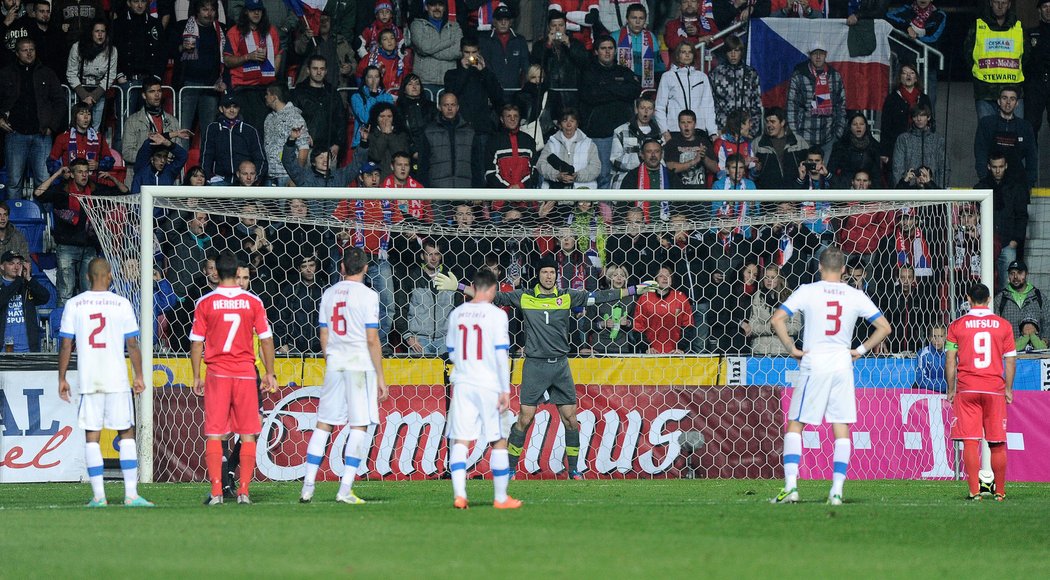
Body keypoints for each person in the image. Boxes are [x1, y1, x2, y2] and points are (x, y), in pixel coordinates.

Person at [434, 256, 656, 478]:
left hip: (560, 365)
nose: (548, 276)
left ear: (556, 275)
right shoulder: (526, 297)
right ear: (538, 275)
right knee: (525, 418)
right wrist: (460, 287)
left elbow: (600, 297)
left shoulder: (567, 296)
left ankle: (574, 470)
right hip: (535, 366)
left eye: (552, 272)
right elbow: (493, 296)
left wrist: (635, 289)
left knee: (571, 418)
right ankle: (510, 469)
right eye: (544, 272)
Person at [770, 246, 892, 505]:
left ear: (819, 267)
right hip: (841, 363)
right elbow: (884, 327)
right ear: (845, 269)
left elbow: (777, 319)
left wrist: (792, 348)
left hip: (815, 362)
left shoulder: (807, 290)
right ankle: (836, 491)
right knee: (841, 426)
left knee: (796, 424)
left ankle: (791, 487)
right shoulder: (854, 294)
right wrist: (859, 350)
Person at [57, 258, 151, 507]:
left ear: (88, 277)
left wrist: (62, 377)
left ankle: (99, 496)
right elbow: (132, 344)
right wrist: (139, 376)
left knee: (92, 436)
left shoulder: (74, 304)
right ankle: (131, 495)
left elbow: (66, 343)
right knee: (127, 433)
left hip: (90, 379)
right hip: (117, 379)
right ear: (108, 275)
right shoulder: (121, 303)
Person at [299, 247, 388, 505]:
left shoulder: (328, 294)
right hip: (359, 364)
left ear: (341, 267)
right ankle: (345, 489)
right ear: (365, 268)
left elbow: (323, 335)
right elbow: (372, 339)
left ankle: (307, 487)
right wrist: (380, 376)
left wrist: (332, 358)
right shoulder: (369, 296)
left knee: (324, 423)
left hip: (335, 362)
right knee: (359, 425)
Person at [190, 250, 278, 505]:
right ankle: (244, 491)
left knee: (216, 434)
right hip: (245, 374)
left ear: (216, 272)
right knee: (249, 433)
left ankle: (217, 492)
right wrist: (270, 372)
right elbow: (266, 339)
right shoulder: (253, 302)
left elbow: (197, 343)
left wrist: (196, 375)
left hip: (217, 374)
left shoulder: (205, 302)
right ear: (236, 274)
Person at [445, 268, 522, 509]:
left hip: (464, 383)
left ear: (474, 287)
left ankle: (460, 495)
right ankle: (500, 498)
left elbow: (452, 351)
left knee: (460, 440)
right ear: (491, 289)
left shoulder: (458, 314)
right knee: (498, 440)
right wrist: (505, 389)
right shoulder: (497, 315)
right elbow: (501, 354)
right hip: (488, 384)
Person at [946, 282, 1015, 501]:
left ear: (968, 299)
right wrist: (1009, 389)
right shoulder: (1003, 325)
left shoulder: (957, 325)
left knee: (970, 440)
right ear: (989, 299)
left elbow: (950, 360)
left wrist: (951, 388)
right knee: (997, 442)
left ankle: (975, 491)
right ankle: (1000, 492)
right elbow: (1011, 359)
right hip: (994, 389)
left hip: (967, 390)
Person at [34, 159, 128, 305]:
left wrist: (112, 178)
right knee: (65, 292)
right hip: (66, 247)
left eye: (86, 172)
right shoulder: (62, 190)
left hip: (89, 247)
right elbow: (38, 193)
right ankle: (62, 326)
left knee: (89, 292)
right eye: (79, 172)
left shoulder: (95, 189)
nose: (84, 175)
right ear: (71, 174)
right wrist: (57, 174)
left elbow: (125, 192)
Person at [0, 37, 65, 200]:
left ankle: (45, 224)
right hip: (15, 134)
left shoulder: (47, 73)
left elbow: (60, 101)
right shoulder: (6, 73)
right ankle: (12, 222)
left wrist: (52, 126)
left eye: (32, 50)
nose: (29, 53)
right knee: (14, 182)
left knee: (44, 181)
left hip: (42, 135)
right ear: (16, 53)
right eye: (24, 50)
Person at [579, 34, 641, 189]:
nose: (607, 52)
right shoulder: (588, 72)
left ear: (615, 51)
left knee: (627, 174)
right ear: (596, 51)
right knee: (603, 175)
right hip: (600, 134)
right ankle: (604, 213)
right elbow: (591, 96)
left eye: (610, 48)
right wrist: (618, 89)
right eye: (603, 48)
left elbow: (634, 90)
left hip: (624, 133)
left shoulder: (624, 71)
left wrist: (606, 88)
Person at [444, 36, 505, 188]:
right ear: (461, 53)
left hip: (482, 130)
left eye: (474, 52)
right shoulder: (451, 74)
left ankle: (483, 208)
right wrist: (464, 70)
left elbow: (498, 97)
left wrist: (484, 71)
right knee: (462, 170)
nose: (470, 56)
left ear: (479, 52)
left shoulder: (485, 73)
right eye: (467, 52)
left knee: (482, 171)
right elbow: (451, 94)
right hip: (460, 130)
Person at [223, 0, 282, 138]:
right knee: (249, 132)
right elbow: (227, 60)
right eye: (252, 10)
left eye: (259, 10)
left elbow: (278, 54)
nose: (256, 13)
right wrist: (247, 57)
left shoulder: (271, 31)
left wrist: (273, 74)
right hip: (244, 90)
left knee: (267, 131)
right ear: (245, 11)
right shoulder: (235, 32)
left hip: (266, 89)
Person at [171, 0, 228, 139]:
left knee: (209, 132)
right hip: (188, 85)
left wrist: (222, 79)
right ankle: (181, 160)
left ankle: (206, 161)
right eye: (205, 9)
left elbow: (225, 59)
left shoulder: (220, 30)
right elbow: (168, 51)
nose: (209, 13)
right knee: (182, 130)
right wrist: (181, 47)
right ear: (197, 11)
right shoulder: (182, 26)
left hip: (211, 86)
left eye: (212, 10)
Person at [787, 41, 847, 161]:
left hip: (828, 137)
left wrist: (838, 133)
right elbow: (791, 107)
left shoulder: (834, 76)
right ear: (810, 55)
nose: (818, 57)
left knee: (823, 174)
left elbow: (841, 105)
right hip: (804, 137)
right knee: (805, 173)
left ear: (826, 55)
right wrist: (796, 136)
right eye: (815, 54)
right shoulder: (799, 75)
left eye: (821, 53)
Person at [965, 0, 1024, 119]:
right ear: (991, 3)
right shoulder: (978, 26)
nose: (1000, 6)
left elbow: (1026, 56)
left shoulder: (1018, 27)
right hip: (985, 92)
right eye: (997, 2)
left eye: (1004, 2)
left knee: (1014, 134)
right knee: (987, 134)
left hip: (1013, 92)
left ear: (1009, 4)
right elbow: (968, 54)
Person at [976, 152, 1029, 286]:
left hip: (1007, 244)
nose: (998, 170)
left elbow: (1022, 216)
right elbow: (973, 214)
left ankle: (1004, 308)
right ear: (989, 167)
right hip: (985, 244)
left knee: (1006, 284)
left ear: (1006, 166)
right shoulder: (980, 187)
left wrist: (1015, 240)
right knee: (983, 283)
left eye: (1000, 166)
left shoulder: (1015, 188)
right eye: (994, 167)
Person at [973, 86, 1037, 188]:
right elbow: (980, 153)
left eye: (1012, 99)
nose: (1008, 102)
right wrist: (984, 179)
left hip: (1017, 185)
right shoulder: (986, 124)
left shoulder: (1025, 127)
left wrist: (1029, 183)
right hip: (991, 183)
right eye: (1004, 98)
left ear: (1017, 103)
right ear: (998, 101)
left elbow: (1032, 158)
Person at [112, 0, 166, 117]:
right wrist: (119, 75)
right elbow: (112, 52)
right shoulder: (118, 24)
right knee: (124, 124)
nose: (140, 5)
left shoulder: (155, 23)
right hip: (127, 81)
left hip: (149, 82)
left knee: (149, 123)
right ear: (128, 3)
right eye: (136, 1)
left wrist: (156, 77)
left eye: (143, 1)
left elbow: (162, 52)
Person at [200, 94, 267, 184]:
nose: (232, 110)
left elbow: (260, 158)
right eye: (227, 107)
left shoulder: (250, 130)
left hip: (245, 182)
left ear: (239, 109)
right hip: (219, 180)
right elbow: (206, 156)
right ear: (221, 109)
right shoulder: (213, 128)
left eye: (235, 107)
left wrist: (255, 179)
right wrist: (208, 177)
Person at [655, 42, 717, 139]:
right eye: (683, 52)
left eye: (690, 52)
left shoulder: (702, 77)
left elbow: (708, 106)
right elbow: (660, 106)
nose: (687, 55)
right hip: (675, 130)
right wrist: (664, 131)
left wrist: (712, 132)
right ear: (677, 55)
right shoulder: (667, 76)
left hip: (699, 129)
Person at [293, 55, 349, 161]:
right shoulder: (299, 92)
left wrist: (337, 144)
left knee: (329, 177)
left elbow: (341, 120)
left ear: (326, 71)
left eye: (322, 69)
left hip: (329, 149)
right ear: (308, 70)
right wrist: (303, 136)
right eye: (315, 68)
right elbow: (293, 118)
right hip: (305, 148)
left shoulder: (333, 93)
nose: (319, 72)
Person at [66, 18, 117, 130]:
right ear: (91, 33)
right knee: (76, 125)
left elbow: (111, 75)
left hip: (98, 91)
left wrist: (94, 96)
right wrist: (84, 95)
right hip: (79, 89)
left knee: (95, 127)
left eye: (103, 31)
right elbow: (71, 73)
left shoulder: (112, 50)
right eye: (97, 31)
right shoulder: (77, 47)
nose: (100, 34)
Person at [404, 240, 454, 355]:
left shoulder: (449, 278)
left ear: (441, 256)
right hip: (419, 340)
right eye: (429, 254)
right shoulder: (412, 277)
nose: (433, 258)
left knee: (448, 372)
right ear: (422, 256)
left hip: (445, 340)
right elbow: (400, 307)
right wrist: (408, 336)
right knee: (420, 373)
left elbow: (458, 308)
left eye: (436, 254)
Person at [879, 62, 933, 168]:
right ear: (900, 78)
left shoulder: (924, 98)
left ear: (916, 78)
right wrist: (884, 151)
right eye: (904, 73)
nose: (908, 76)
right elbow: (885, 127)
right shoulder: (892, 99)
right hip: (896, 148)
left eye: (912, 73)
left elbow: (931, 123)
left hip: (920, 149)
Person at [709, 35, 763, 137]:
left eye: (736, 51)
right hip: (723, 130)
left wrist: (752, 130)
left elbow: (756, 104)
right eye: (730, 51)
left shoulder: (750, 73)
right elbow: (711, 104)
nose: (733, 54)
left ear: (741, 52)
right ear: (725, 53)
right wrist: (715, 130)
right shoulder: (716, 73)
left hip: (746, 130)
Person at [632, 265, 693, 354]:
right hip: (651, 353)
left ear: (672, 280)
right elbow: (637, 327)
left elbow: (688, 325)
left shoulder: (681, 298)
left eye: (668, 276)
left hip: (674, 353)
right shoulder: (645, 299)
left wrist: (680, 348)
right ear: (655, 279)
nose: (665, 278)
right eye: (661, 276)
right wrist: (646, 347)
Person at [537, 108, 601, 190]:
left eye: (572, 121)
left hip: (582, 194)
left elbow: (595, 168)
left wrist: (577, 176)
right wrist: (557, 175)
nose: (569, 124)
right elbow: (541, 164)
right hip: (554, 193)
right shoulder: (551, 143)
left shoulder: (589, 144)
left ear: (577, 124)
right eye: (565, 121)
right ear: (559, 125)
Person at [408, 0, 463, 96]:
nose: (437, 8)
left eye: (440, 5)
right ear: (426, 7)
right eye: (433, 5)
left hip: (448, 82)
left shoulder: (455, 26)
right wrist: (449, 42)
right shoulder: (417, 25)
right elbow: (424, 47)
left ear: (445, 8)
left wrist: (430, 51)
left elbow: (459, 51)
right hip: (423, 82)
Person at [744, 265, 801, 355]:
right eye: (766, 277)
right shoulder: (758, 296)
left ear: (779, 279)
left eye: (773, 277)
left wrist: (780, 328)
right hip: (760, 351)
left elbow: (796, 326)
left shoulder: (790, 297)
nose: (769, 280)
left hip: (783, 351)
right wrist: (769, 328)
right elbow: (753, 326)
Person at [0, 250, 49, 352]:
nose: (16, 267)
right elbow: (3, 298)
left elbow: (45, 297)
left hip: (28, 348)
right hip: (3, 349)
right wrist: (19, 279)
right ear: (2, 267)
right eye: (11, 263)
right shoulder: (2, 286)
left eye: (19, 263)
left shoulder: (26, 285)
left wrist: (29, 278)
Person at [752, 107, 810, 190]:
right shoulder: (757, 144)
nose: (769, 125)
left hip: (795, 198)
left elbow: (807, 172)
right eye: (767, 122)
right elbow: (753, 175)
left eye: (773, 122)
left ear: (782, 122)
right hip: (768, 199)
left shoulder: (799, 142)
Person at [262, 84, 309, 186]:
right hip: (269, 175)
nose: (265, 97)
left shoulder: (294, 117)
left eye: (267, 94)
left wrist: (296, 176)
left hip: (287, 175)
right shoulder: (269, 118)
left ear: (274, 97)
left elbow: (303, 148)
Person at [892, 103, 947, 187]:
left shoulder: (938, 140)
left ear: (928, 117)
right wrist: (901, 188)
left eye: (922, 115)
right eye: (915, 116)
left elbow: (944, 167)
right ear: (912, 118)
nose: (919, 119)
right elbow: (897, 168)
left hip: (932, 191)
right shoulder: (903, 139)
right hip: (908, 191)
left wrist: (939, 191)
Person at [485, 103, 537, 189]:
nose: (512, 119)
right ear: (502, 119)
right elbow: (490, 173)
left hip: (526, 197)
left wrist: (520, 186)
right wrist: (509, 189)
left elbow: (535, 170)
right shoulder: (493, 142)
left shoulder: (529, 140)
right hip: (501, 198)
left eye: (515, 116)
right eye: (508, 116)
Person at [613, 2, 663, 91]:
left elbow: (658, 66)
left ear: (645, 20)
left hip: (644, 88)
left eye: (641, 18)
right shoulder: (615, 36)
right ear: (627, 19)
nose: (637, 22)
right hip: (620, 86)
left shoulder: (651, 37)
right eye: (634, 18)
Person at [663, 109, 718, 189]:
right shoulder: (672, 143)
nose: (686, 126)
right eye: (683, 122)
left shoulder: (704, 142)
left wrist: (704, 157)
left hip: (700, 192)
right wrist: (694, 161)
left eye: (689, 122)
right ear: (678, 124)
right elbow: (670, 168)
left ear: (694, 124)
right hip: (679, 193)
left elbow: (715, 169)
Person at [994, 259, 1049, 336]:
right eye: (1012, 273)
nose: (1015, 277)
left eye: (1019, 273)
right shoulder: (1000, 298)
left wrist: (1045, 339)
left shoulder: (1039, 296)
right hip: (1009, 346)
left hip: (1036, 347)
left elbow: (1047, 322)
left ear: (1026, 274)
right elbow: (994, 325)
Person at [828, 112, 881, 188]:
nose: (858, 126)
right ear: (850, 127)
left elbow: (877, 174)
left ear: (866, 127)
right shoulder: (840, 145)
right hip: (845, 188)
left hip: (868, 189)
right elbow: (832, 170)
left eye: (861, 124)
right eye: (855, 124)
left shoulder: (874, 146)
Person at [1025, 0, 1050, 136]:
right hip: (1035, 84)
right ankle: (1032, 158)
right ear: (1039, 10)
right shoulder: (1031, 34)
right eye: (1045, 7)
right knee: (1030, 126)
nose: (1048, 10)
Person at [914, 324, 947, 392]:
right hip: (928, 394)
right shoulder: (923, 354)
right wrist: (945, 386)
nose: (937, 340)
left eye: (940, 336)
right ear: (929, 337)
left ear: (946, 337)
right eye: (934, 336)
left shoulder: (952, 354)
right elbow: (921, 380)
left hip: (948, 393)